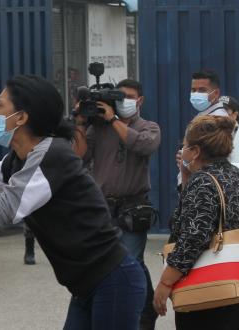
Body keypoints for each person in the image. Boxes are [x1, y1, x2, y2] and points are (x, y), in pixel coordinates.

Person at [0, 75, 146, 329]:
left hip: (113, 280)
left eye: (0, 105)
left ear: (21, 117)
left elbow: (2, 213)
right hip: (87, 285)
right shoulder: (18, 160)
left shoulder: (51, 157)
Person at [73, 78, 161, 330]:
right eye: (119, 96)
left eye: (129, 96)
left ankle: (141, 314)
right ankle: (137, 307)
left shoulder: (149, 126)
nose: (123, 101)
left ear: (140, 100)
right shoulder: (99, 128)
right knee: (107, 263)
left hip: (132, 209)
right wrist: (80, 122)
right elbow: (79, 156)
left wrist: (114, 120)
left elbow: (144, 146)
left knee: (130, 262)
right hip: (102, 209)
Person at [153, 115, 239, 329]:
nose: (182, 151)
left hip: (205, 290)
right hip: (233, 280)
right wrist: (186, 175)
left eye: (185, 146)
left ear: (195, 151)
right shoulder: (234, 174)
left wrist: (165, 282)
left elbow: (194, 236)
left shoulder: (203, 181)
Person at [176, 70, 229, 188]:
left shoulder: (218, 120)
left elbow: (210, 160)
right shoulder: (203, 116)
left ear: (216, 93)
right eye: (193, 90)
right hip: (195, 184)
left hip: (205, 187)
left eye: (202, 90)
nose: (196, 94)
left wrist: (186, 161)